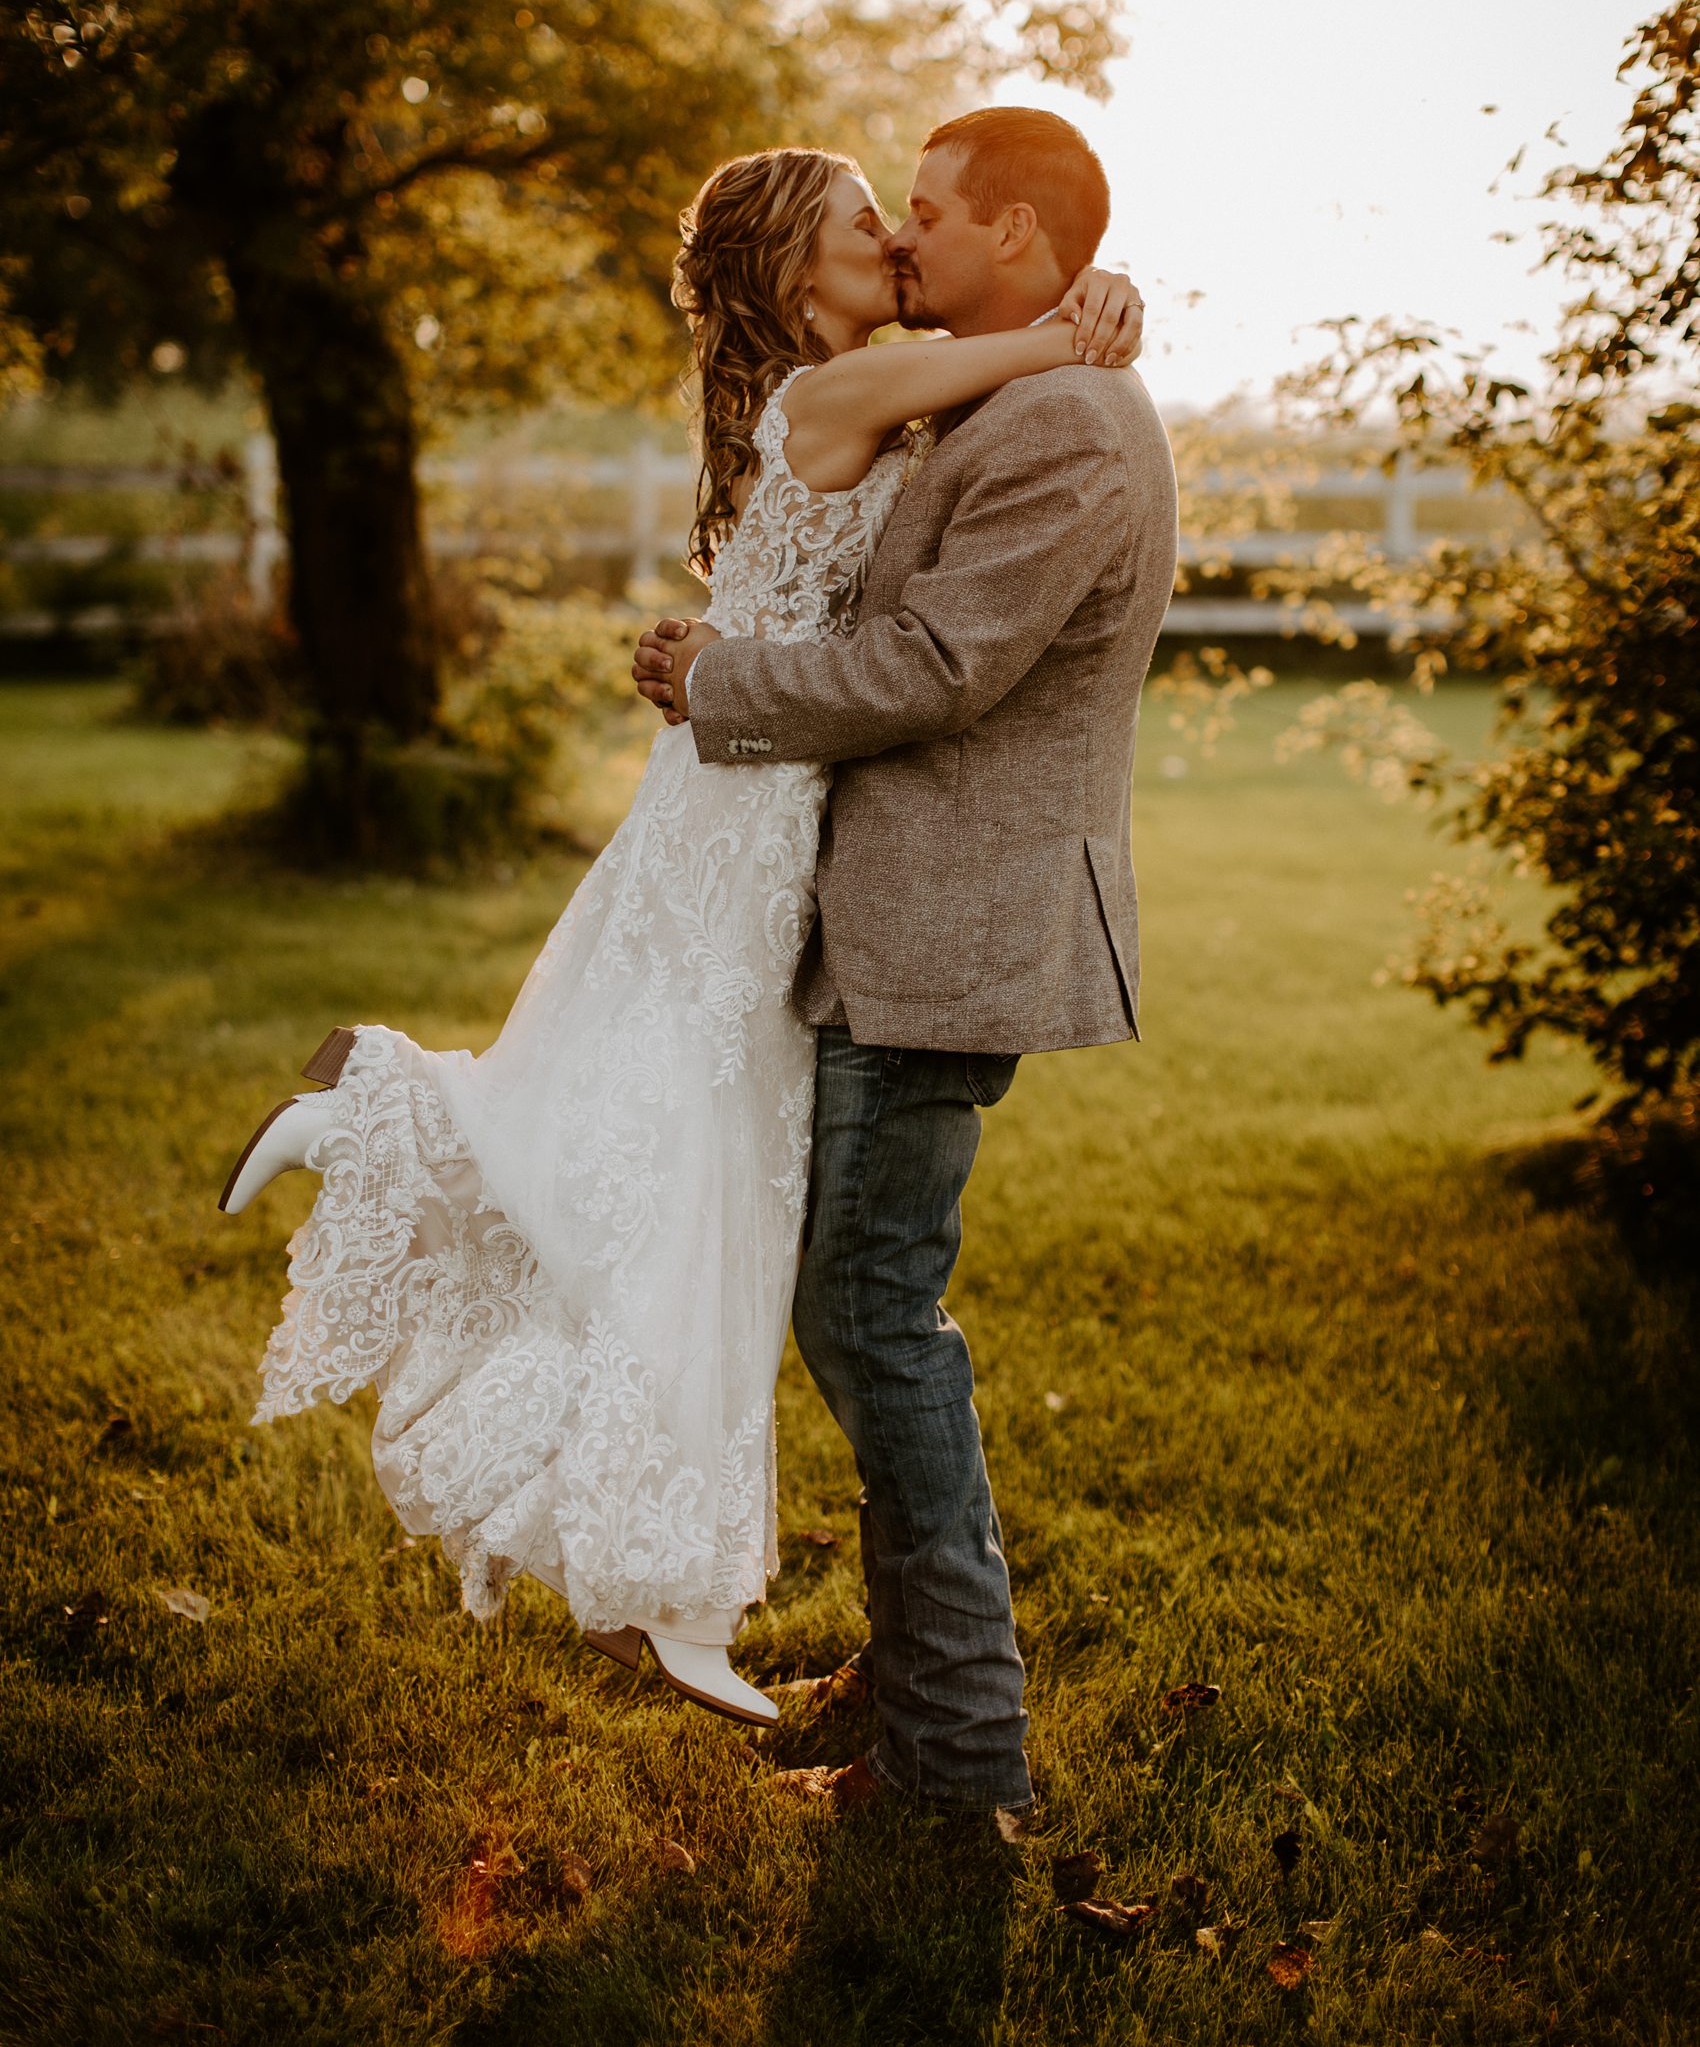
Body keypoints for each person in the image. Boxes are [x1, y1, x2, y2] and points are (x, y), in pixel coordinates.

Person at [215, 133, 1143, 1733]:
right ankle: (683, 1562)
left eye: (914, 220)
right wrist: (1092, 309)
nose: (901, 246)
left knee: (671, 1137)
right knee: (687, 1139)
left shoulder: (923, 390)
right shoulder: (838, 394)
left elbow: (1011, 409)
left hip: (785, 803)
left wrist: (1093, 298)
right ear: (798, 274)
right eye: (876, 225)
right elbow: (1038, 350)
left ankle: (389, 1116)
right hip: (749, 800)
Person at [632, 106, 1180, 1817]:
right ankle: (914, 1674)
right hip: (891, 917)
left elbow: (938, 664)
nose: (908, 240)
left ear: (1018, 236)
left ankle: (958, 1749)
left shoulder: (1070, 427)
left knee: (871, 1315)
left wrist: (721, 682)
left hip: (948, 929)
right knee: (867, 1305)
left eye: (930, 214)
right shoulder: (1017, 387)